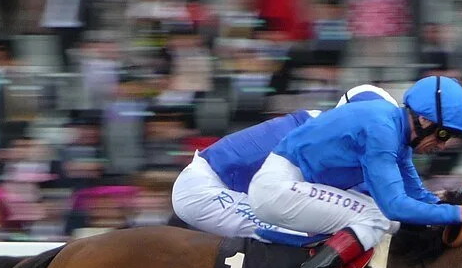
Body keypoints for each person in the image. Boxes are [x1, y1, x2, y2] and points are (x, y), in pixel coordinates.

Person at [249, 75, 462, 268]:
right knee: (378, 216)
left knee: (388, 221)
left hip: (295, 184)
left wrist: (451, 205)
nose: (442, 145)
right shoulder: (382, 130)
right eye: (443, 134)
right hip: (278, 188)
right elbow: (393, 205)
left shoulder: (397, 131)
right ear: (424, 120)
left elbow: (416, 193)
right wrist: (460, 213)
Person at [171, 84, 400, 240]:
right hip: (204, 189)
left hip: (226, 184)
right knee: (296, 235)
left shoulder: (334, 135)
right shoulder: (320, 134)